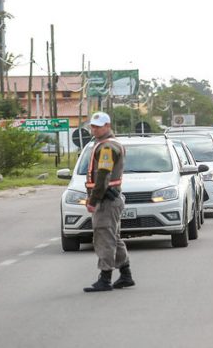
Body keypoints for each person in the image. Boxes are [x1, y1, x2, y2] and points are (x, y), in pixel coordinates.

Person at [83, 112, 135, 292]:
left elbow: (103, 176)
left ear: (108, 126)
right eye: (93, 126)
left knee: (104, 237)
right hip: (110, 199)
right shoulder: (105, 144)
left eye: (98, 126)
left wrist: (93, 199)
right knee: (113, 237)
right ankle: (126, 275)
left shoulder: (107, 147)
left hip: (106, 200)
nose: (94, 129)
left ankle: (105, 279)